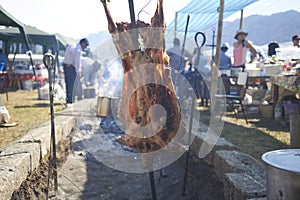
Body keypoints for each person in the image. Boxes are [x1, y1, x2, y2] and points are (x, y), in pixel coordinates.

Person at [63, 38, 89, 105]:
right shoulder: (78, 49)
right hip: (71, 67)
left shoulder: (72, 45)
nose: (85, 47)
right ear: (82, 43)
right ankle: (71, 100)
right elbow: (77, 61)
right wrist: (78, 71)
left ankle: (69, 99)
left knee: (68, 84)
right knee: (72, 85)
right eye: (85, 45)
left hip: (66, 66)